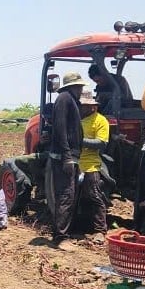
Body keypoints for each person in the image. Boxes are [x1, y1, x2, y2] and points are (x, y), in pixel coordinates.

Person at [47, 71, 88, 248]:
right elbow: (60, 129)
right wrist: (67, 156)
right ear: (74, 86)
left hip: (71, 155)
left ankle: (63, 233)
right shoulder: (65, 99)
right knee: (65, 195)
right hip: (65, 156)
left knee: (68, 195)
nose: (81, 90)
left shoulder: (70, 100)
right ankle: (60, 238)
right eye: (79, 87)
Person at [77, 95, 110, 241]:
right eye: (80, 105)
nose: (81, 108)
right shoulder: (75, 119)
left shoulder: (100, 121)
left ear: (93, 107)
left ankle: (100, 231)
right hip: (72, 163)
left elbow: (101, 143)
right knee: (70, 197)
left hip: (90, 164)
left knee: (94, 195)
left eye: (84, 105)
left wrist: (80, 141)